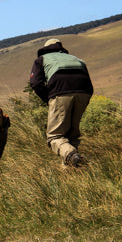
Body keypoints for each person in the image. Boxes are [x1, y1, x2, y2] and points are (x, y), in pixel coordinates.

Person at [29, 38, 94, 167]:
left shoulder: (41, 60)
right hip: (84, 92)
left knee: (55, 136)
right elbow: (89, 82)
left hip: (60, 93)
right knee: (72, 135)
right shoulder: (77, 59)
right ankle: (71, 170)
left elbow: (35, 83)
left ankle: (71, 154)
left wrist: (48, 98)